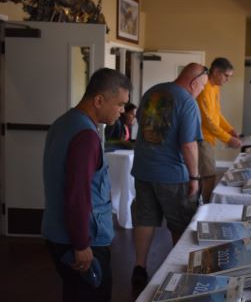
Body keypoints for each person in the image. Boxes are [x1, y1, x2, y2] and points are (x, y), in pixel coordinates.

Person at [42, 68, 132, 302]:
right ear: (99, 100)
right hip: (81, 239)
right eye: (120, 104)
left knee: (74, 293)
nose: (122, 111)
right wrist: (81, 244)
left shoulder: (63, 122)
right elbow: (78, 195)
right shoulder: (86, 135)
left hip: (57, 231)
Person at [130, 63, 208, 291]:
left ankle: (139, 268)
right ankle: (177, 273)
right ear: (193, 82)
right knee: (180, 224)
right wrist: (194, 177)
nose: (201, 91)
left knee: (145, 219)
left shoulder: (152, 93)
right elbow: (188, 144)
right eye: (201, 86)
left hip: (143, 170)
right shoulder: (187, 102)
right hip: (172, 175)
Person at [196, 57, 242, 203]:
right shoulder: (204, 89)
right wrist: (228, 139)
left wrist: (230, 130)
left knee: (207, 175)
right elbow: (208, 122)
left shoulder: (215, 87)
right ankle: (207, 208)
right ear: (216, 72)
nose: (228, 80)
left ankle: (201, 204)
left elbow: (217, 114)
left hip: (210, 138)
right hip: (201, 138)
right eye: (226, 76)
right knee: (208, 176)